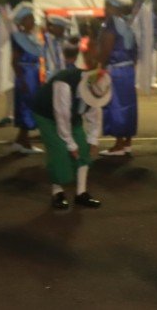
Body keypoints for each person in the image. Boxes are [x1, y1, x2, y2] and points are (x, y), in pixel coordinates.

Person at [32, 58, 111, 210]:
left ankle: (81, 193)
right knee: (59, 151)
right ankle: (57, 192)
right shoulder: (64, 84)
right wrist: (70, 145)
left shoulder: (96, 87)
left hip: (69, 115)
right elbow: (61, 118)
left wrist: (93, 140)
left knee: (83, 148)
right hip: (46, 114)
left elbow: (95, 115)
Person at [97, 0, 138, 156]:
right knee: (128, 105)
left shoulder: (111, 24)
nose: (105, 9)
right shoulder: (127, 24)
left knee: (116, 107)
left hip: (116, 71)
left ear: (111, 7)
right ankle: (127, 142)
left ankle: (118, 145)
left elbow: (107, 48)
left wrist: (101, 65)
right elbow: (135, 51)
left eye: (106, 6)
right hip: (128, 69)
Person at [10, 2, 44, 154]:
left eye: (33, 19)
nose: (32, 22)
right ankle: (25, 143)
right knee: (26, 107)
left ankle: (21, 140)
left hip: (33, 75)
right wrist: (21, 79)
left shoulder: (32, 38)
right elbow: (14, 61)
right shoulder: (18, 38)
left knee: (29, 106)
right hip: (25, 75)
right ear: (22, 21)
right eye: (29, 19)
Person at [43, 15, 70, 82]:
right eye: (59, 28)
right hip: (50, 75)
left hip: (63, 75)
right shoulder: (47, 40)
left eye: (62, 29)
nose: (62, 31)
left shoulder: (64, 42)